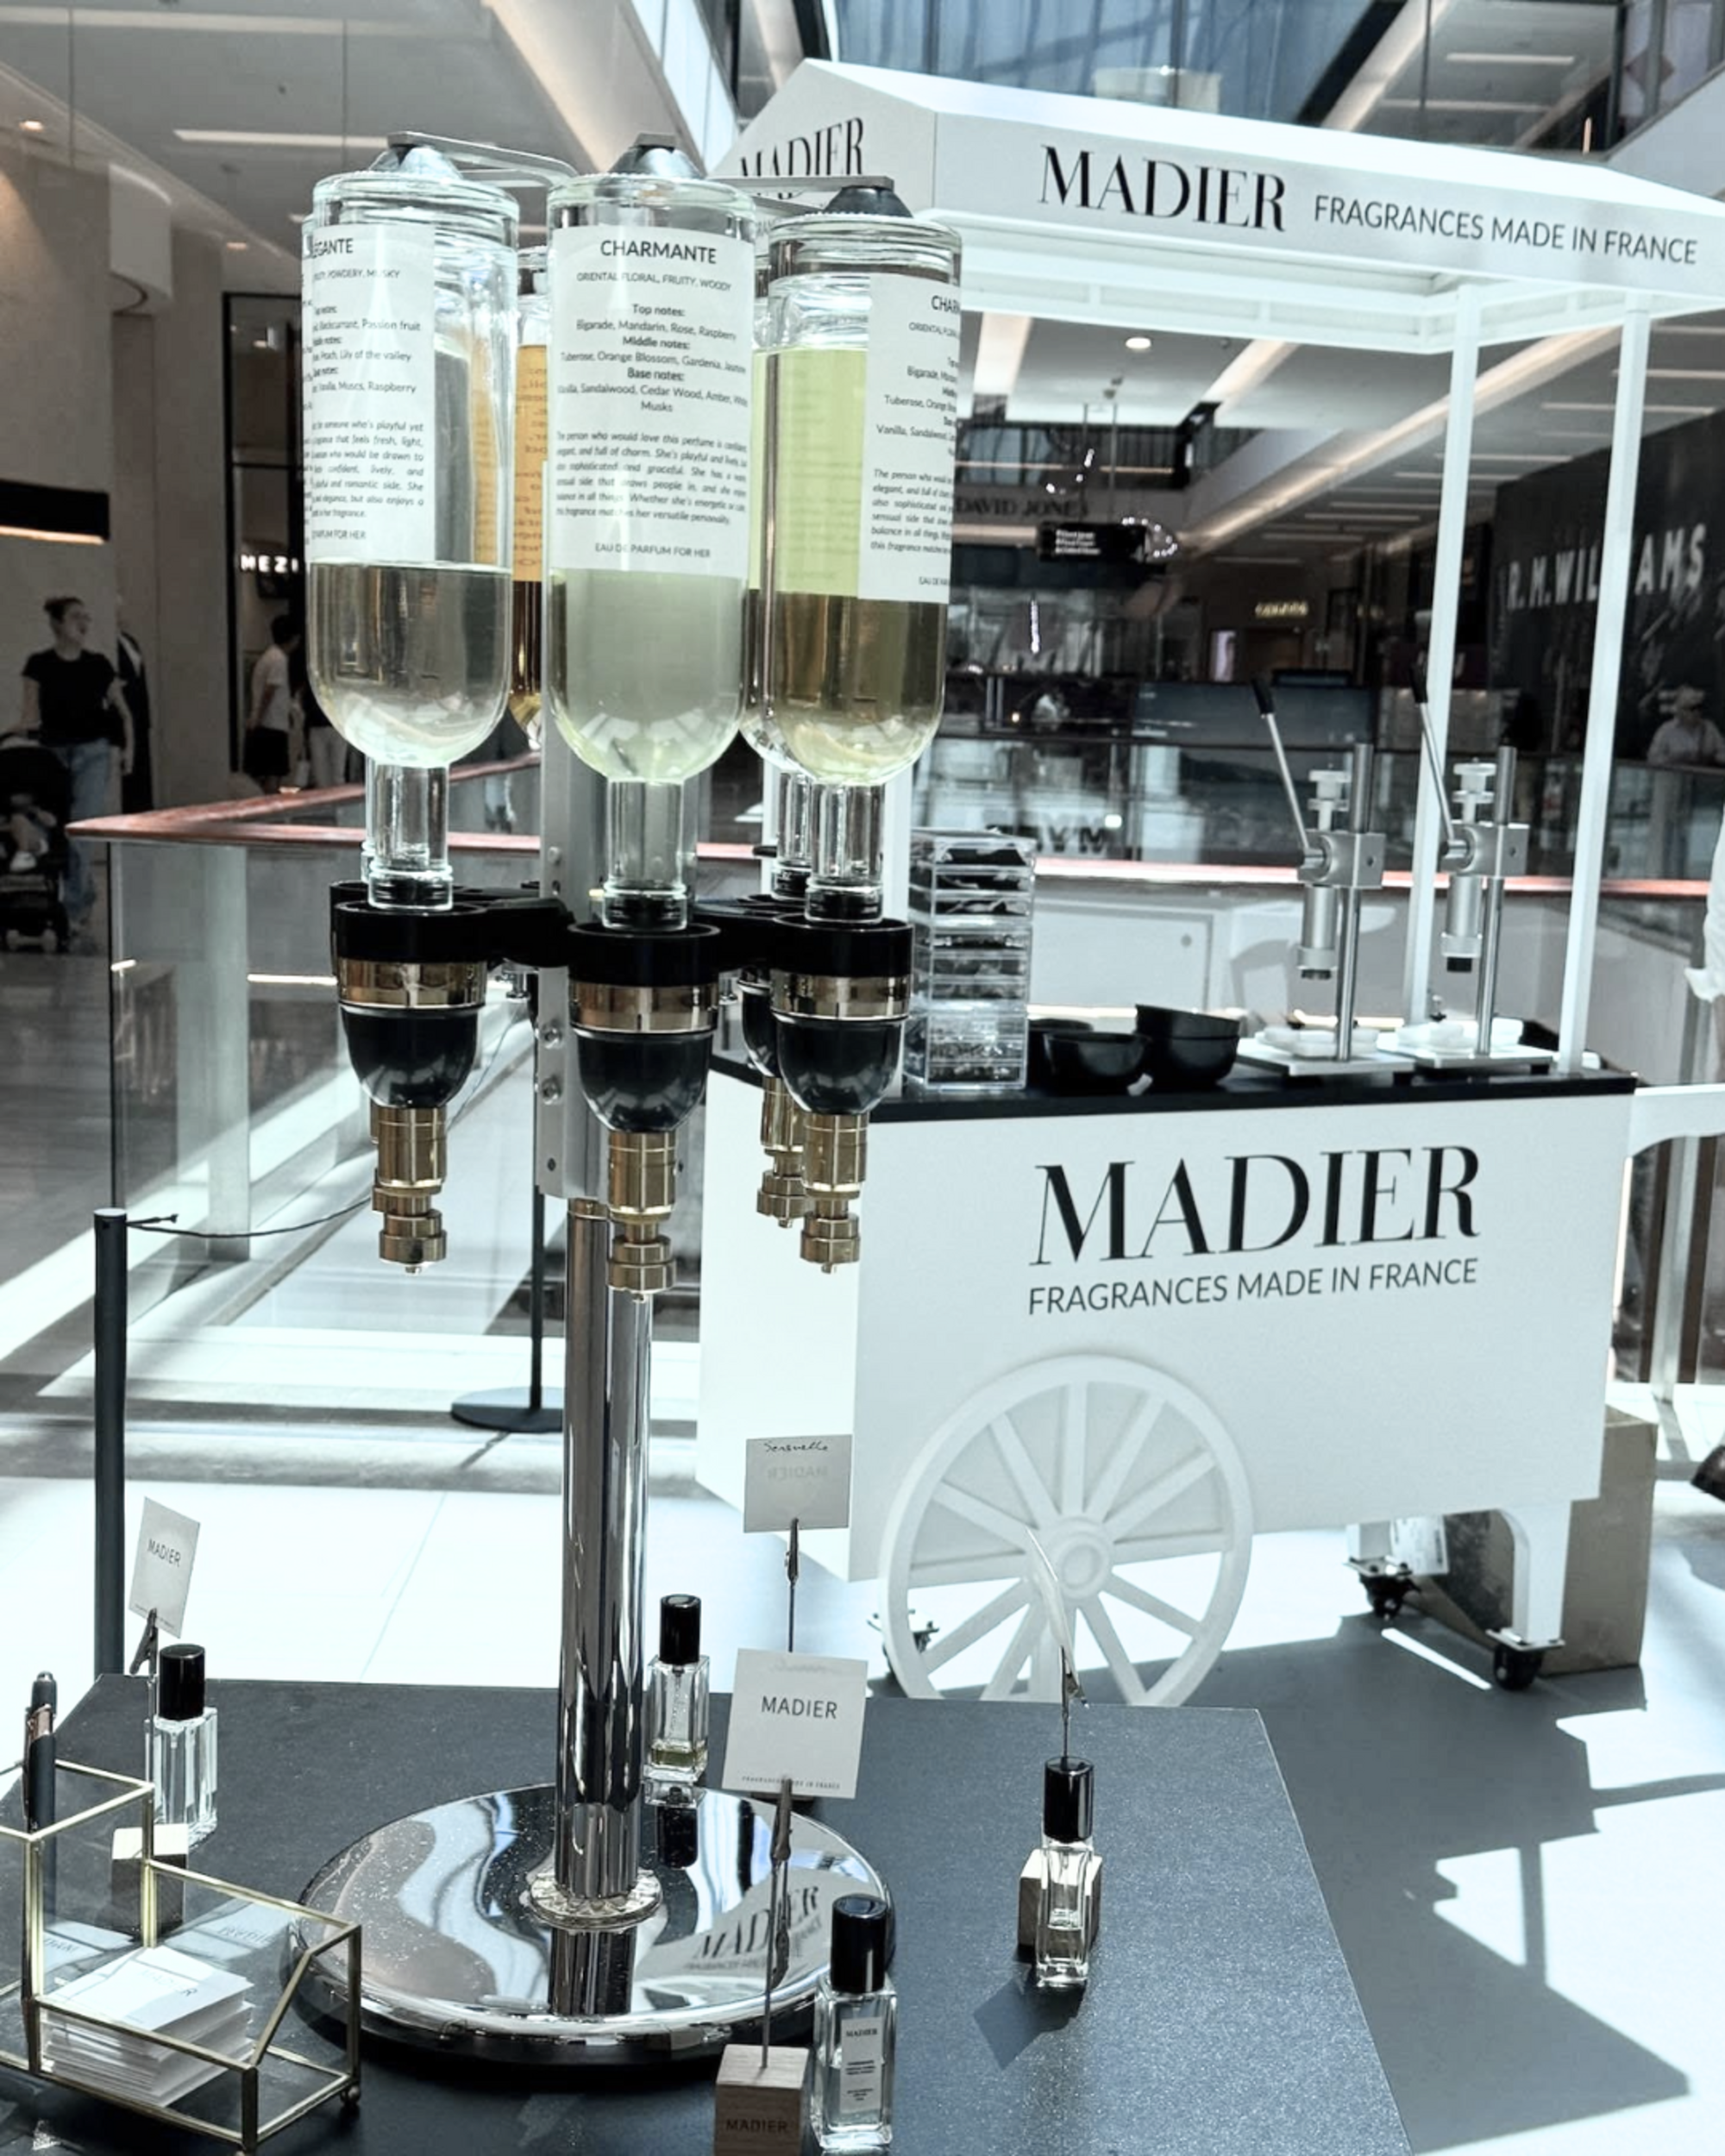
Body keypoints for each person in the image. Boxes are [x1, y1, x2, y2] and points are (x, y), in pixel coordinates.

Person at [11, 595, 132, 936]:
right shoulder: (39, 664)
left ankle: (75, 907)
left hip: (92, 752)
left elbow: (122, 711)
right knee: (55, 825)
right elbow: (30, 711)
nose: (83, 623)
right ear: (57, 624)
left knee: (80, 828)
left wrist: (128, 749)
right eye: (76, 617)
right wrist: (18, 730)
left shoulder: (98, 664)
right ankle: (77, 894)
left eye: (86, 617)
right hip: (53, 752)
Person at [246, 615, 300, 794]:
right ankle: (270, 806)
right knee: (273, 773)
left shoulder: (268, 656)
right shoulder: (279, 659)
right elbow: (270, 691)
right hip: (272, 724)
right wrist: (258, 717)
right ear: (293, 638)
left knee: (266, 772)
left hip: (267, 723)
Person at [1647, 684, 1725, 768]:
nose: (1697, 712)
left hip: (1703, 778)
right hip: (1675, 777)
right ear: (1680, 711)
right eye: (1692, 708)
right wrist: (1675, 758)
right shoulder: (1666, 730)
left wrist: (1712, 757)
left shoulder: (1709, 728)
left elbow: (1722, 753)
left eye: (1699, 707)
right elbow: (1652, 759)